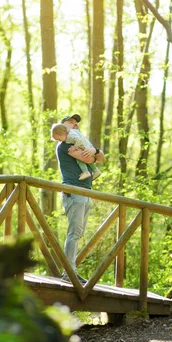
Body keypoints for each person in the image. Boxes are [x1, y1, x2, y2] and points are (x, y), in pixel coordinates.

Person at [55, 114, 105, 284]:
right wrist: (94, 153)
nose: (75, 125)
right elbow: (90, 159)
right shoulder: (64, 146)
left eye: (76, 124)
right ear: (63, 126)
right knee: (74, 233)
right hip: (74, 192)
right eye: (71, 123)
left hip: (85, 192)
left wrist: (96, 151)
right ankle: (68, 272)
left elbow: (101, 158)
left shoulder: (77, 141)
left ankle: (70, 270)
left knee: (78, 233)